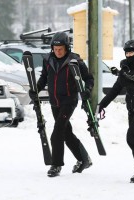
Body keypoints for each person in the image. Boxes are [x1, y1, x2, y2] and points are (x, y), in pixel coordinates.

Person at [29, 32, 94, 177]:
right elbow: (44, 78)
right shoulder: (48, 60)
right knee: (66, 133)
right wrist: (35, 90)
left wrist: (87, 90)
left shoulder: (75, 61)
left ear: (67, 48)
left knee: (57, 132)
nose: (58, 52)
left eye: (61, 49)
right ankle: (84, 159)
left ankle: (56, 164)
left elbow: (89, 78)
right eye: (55, 49)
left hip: (69, 101)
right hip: (55, 102)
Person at [98, 40, 134, 183]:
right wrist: (102, 104)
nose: (129, 55)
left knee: (132, 138)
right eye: (127, 52)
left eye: (132, 52)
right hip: (133, 109)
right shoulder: (125, 70)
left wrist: (132, 84)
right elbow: (115, 89)